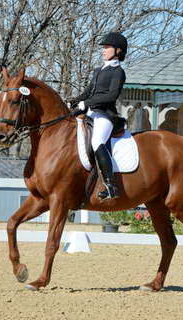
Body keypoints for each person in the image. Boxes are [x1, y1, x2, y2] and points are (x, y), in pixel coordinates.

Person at [68, 32, 127, 201]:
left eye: (107, 47)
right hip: (90, 112)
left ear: (118, 51)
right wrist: (76, 100)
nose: (103, 50)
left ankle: (110, 185)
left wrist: (87, 104)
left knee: (97, 141)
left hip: (105, 115)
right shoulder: (98, 70)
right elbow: (88, 91)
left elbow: (111, 96)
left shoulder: (118, 72)